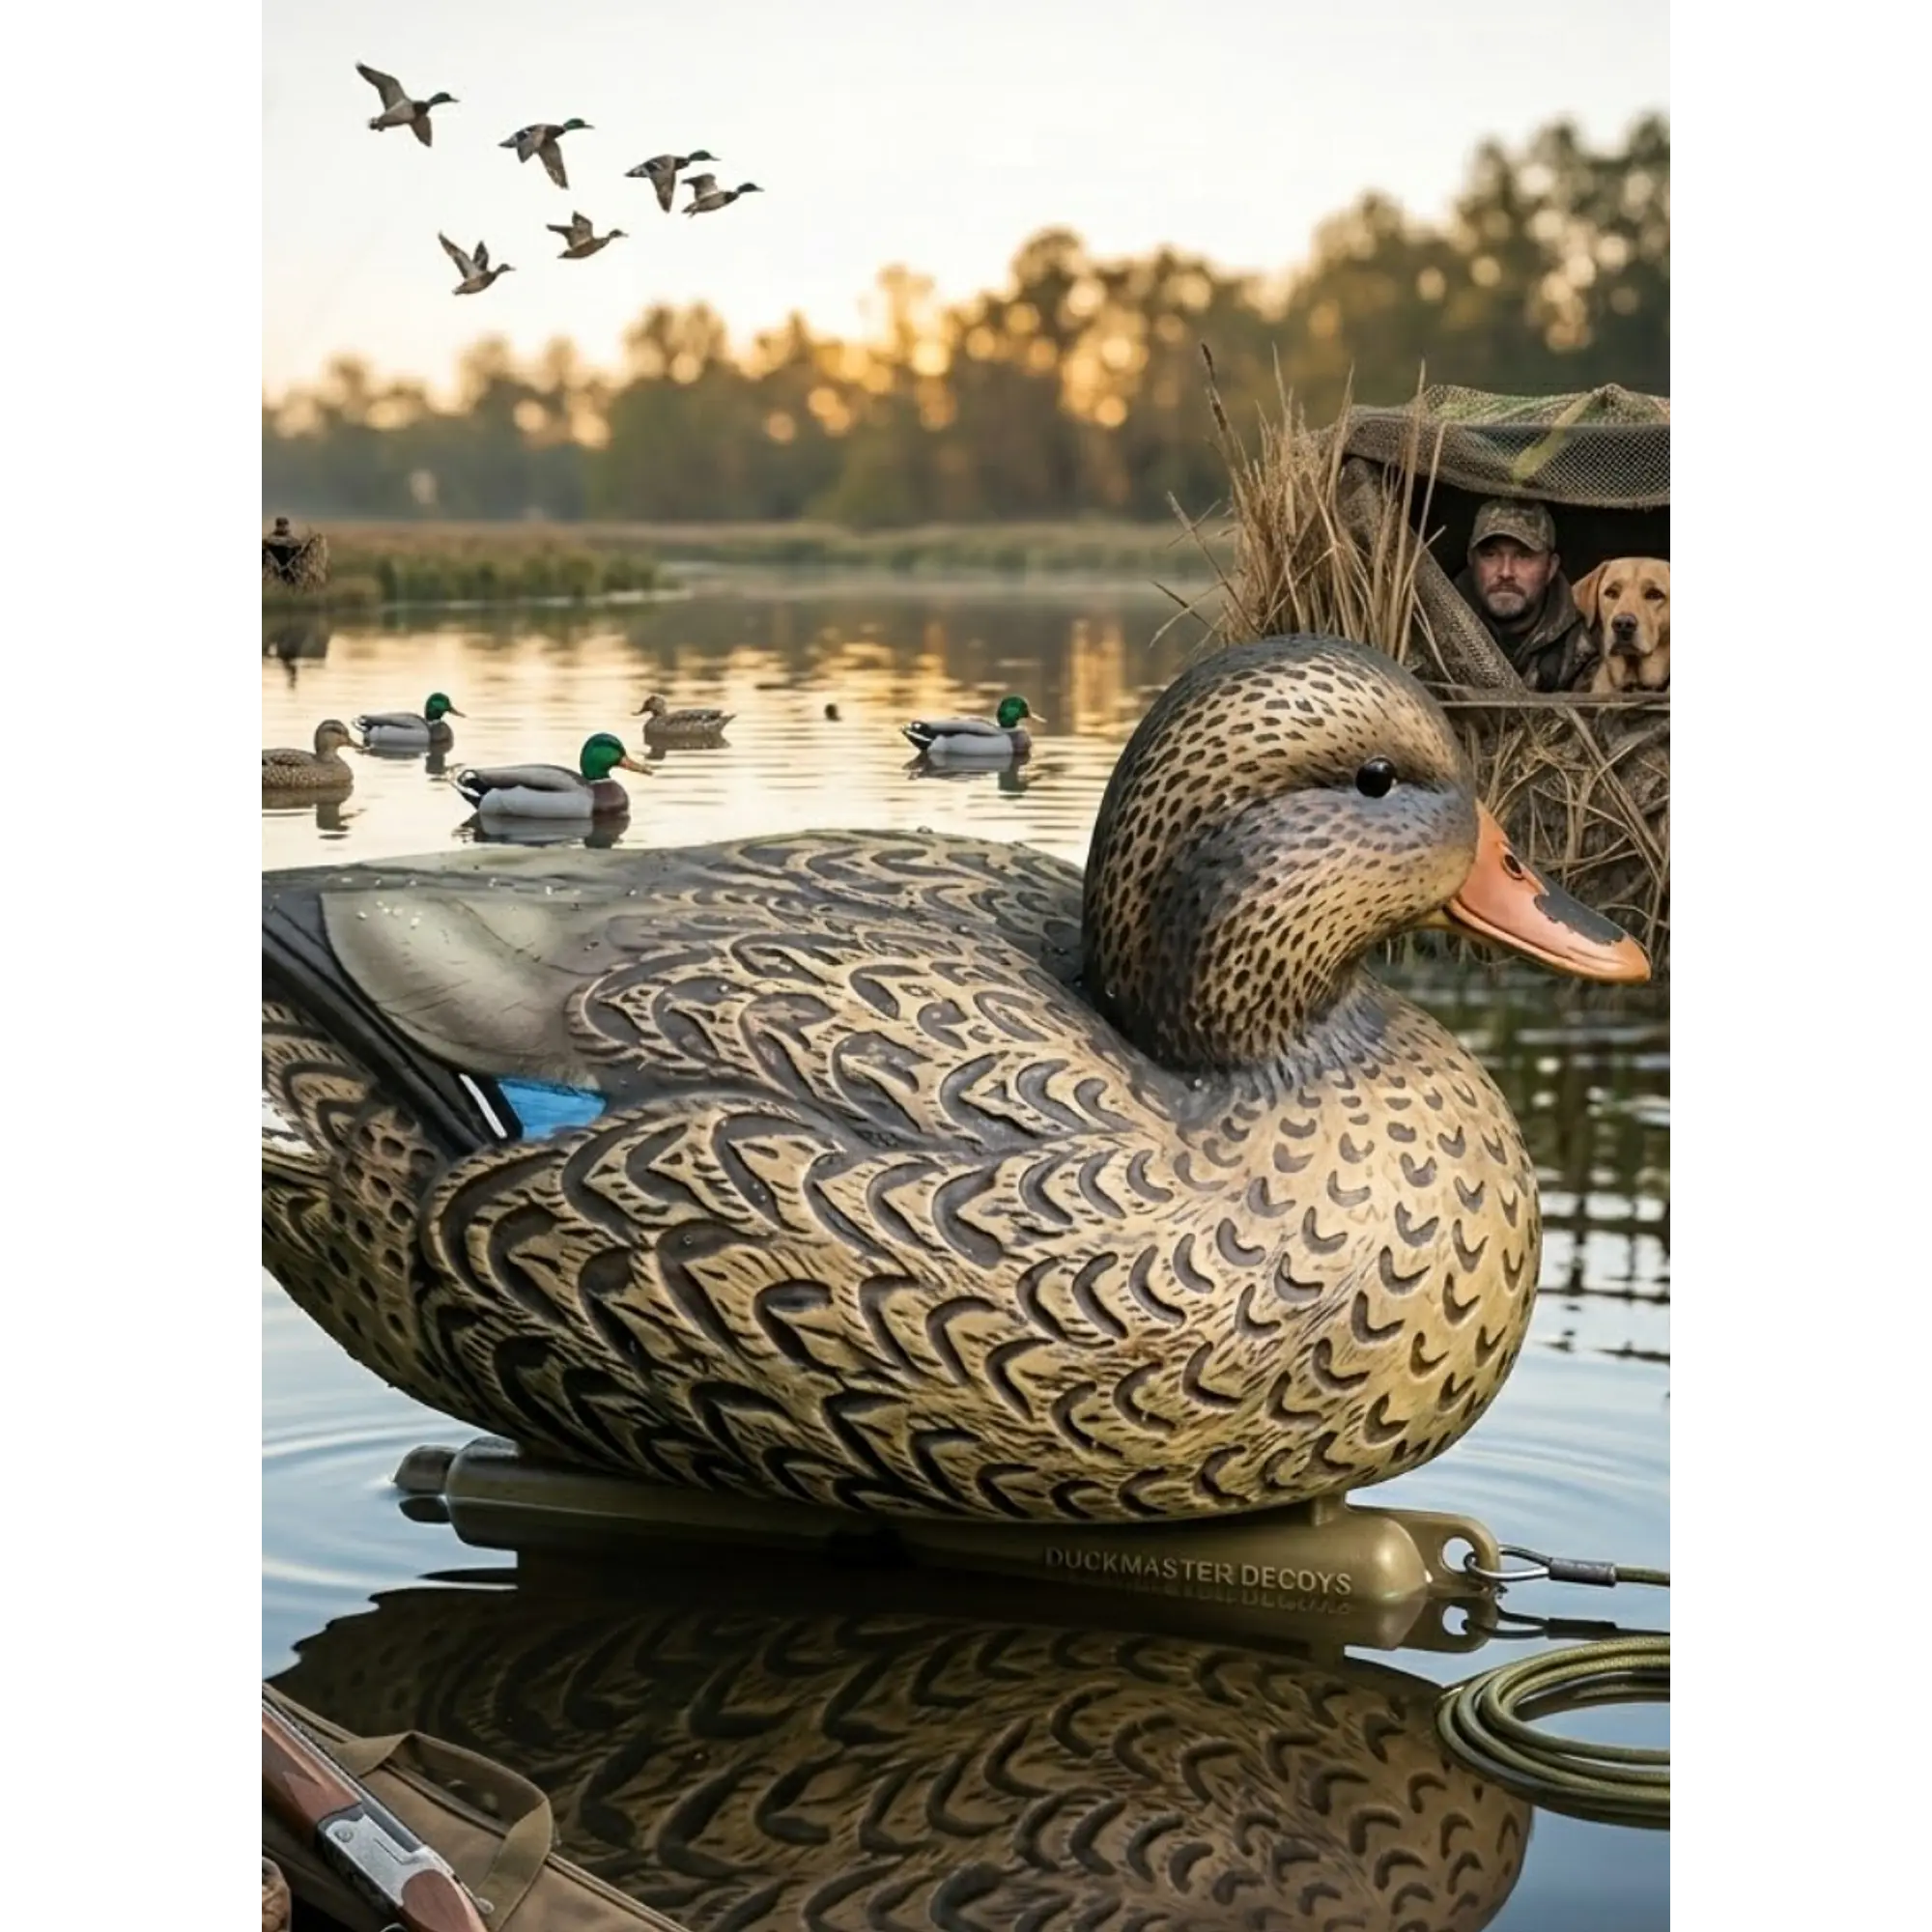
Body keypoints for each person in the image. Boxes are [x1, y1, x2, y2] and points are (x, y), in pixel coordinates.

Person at [1453, 498, 1597, 692]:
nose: (1505, 572)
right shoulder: (1432, 627)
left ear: (1551, 568)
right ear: (1471, 560)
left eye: (1524, 556)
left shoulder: (1582, 647)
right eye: (1491, 555)